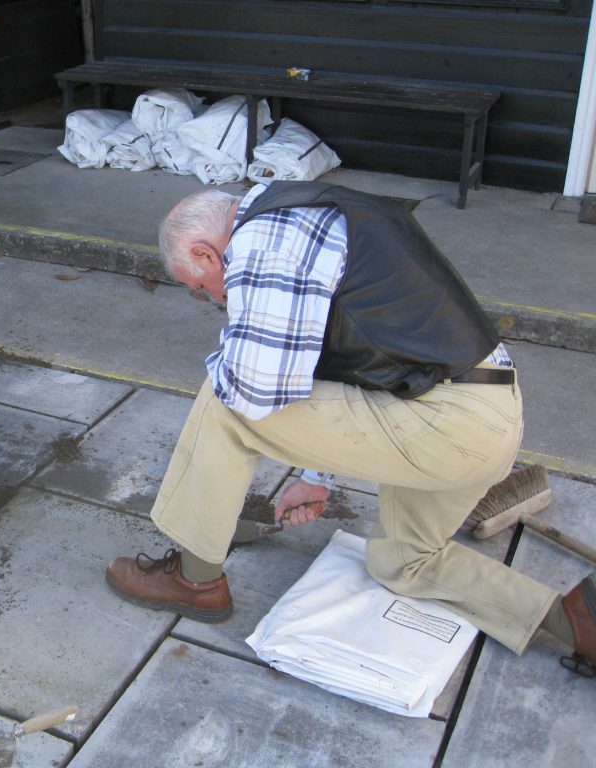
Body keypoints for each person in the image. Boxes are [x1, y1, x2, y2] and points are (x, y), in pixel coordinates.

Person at [105, 180, 595, 676]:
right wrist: (316, 478)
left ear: (206, 254)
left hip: (444, 422)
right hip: (483, 416)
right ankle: (574, 621)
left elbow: (251, 388)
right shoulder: (312, 209)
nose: (213, 297)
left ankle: (195, 581)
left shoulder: (267, 237)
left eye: (199, 287)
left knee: (224, 398)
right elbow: (337, 367)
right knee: (404, 563)